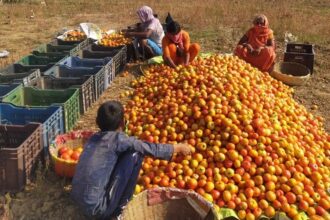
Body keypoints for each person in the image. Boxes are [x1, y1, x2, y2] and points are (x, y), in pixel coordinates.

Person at [71, 101, 192, 219]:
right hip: (97, 209)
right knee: (135, 153)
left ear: (98, 122)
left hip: (78, 199)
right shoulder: (118, 139)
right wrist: (178, 147)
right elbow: (148, 148)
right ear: (122, 122)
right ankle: (120, 210)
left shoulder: (92, 138)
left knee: (124, 153)